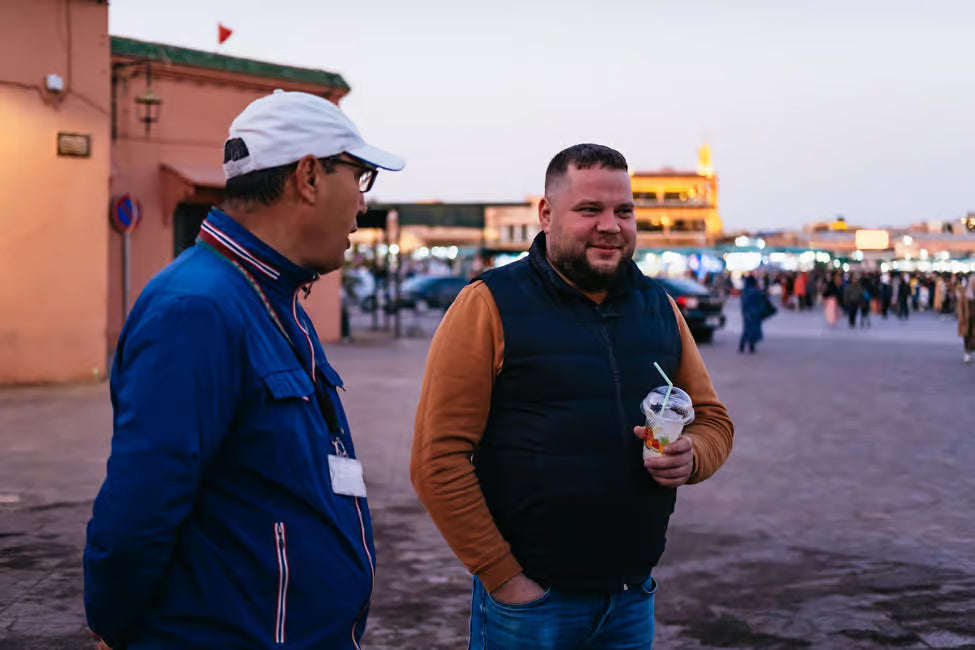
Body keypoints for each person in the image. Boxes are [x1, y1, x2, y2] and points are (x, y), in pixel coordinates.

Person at [84, 91, 404, 649]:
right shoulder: (198, 308)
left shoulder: (269, 294)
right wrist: (113, 627)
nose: (361, 204)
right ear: (308, 176)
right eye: (360, 177)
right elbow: (139, 511)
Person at [410, 144, 734, 649]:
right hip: (530, 606)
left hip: (631, 597)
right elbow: (437, 458)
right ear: (546, 214)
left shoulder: (659, 308)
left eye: (623, 211)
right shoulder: (489, 305)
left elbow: (712, 419)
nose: (611, 225)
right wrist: (505, 579)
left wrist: (692, 457)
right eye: (590, 210)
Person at [739, 275, 770, 353]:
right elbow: (761, 303)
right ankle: (751, 346)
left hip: (747, 313)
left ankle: (742, 345)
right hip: (755, 313)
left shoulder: (745, 291)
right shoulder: (756, 291)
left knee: (746, 329)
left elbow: (743, 303)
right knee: (753, 330)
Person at [958, 275, 975, 364]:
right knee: (967, 336)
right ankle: (967, 353)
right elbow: (961, 307)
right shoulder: (965, 294)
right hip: (968, 320)